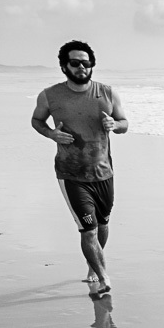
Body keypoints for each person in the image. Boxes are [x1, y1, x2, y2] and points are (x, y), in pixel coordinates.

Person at [30, 40, 128, 297]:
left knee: (103, 224)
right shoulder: (50, 95)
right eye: (75, 63)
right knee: (88, 228)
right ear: (64, 66)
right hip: (71, 173)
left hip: (104, 172)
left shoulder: (107, 93)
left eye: (86, 63)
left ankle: (93, 265)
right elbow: (36, 120)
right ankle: (103, 275)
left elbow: (124, 123)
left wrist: (113, 126)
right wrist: (52, 134)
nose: (82, 67)